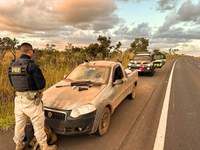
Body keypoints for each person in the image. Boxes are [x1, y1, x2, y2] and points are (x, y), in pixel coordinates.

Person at [8, 43, 57, 150]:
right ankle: (44, 147)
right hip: (31, 101)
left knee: (19, 124)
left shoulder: (12, 65)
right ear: (30, 51)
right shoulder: (31, 65)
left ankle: (19, 144)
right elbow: (41, 85)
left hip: (18, 100)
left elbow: (12, 83)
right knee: (38, 125)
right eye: (32, 52)